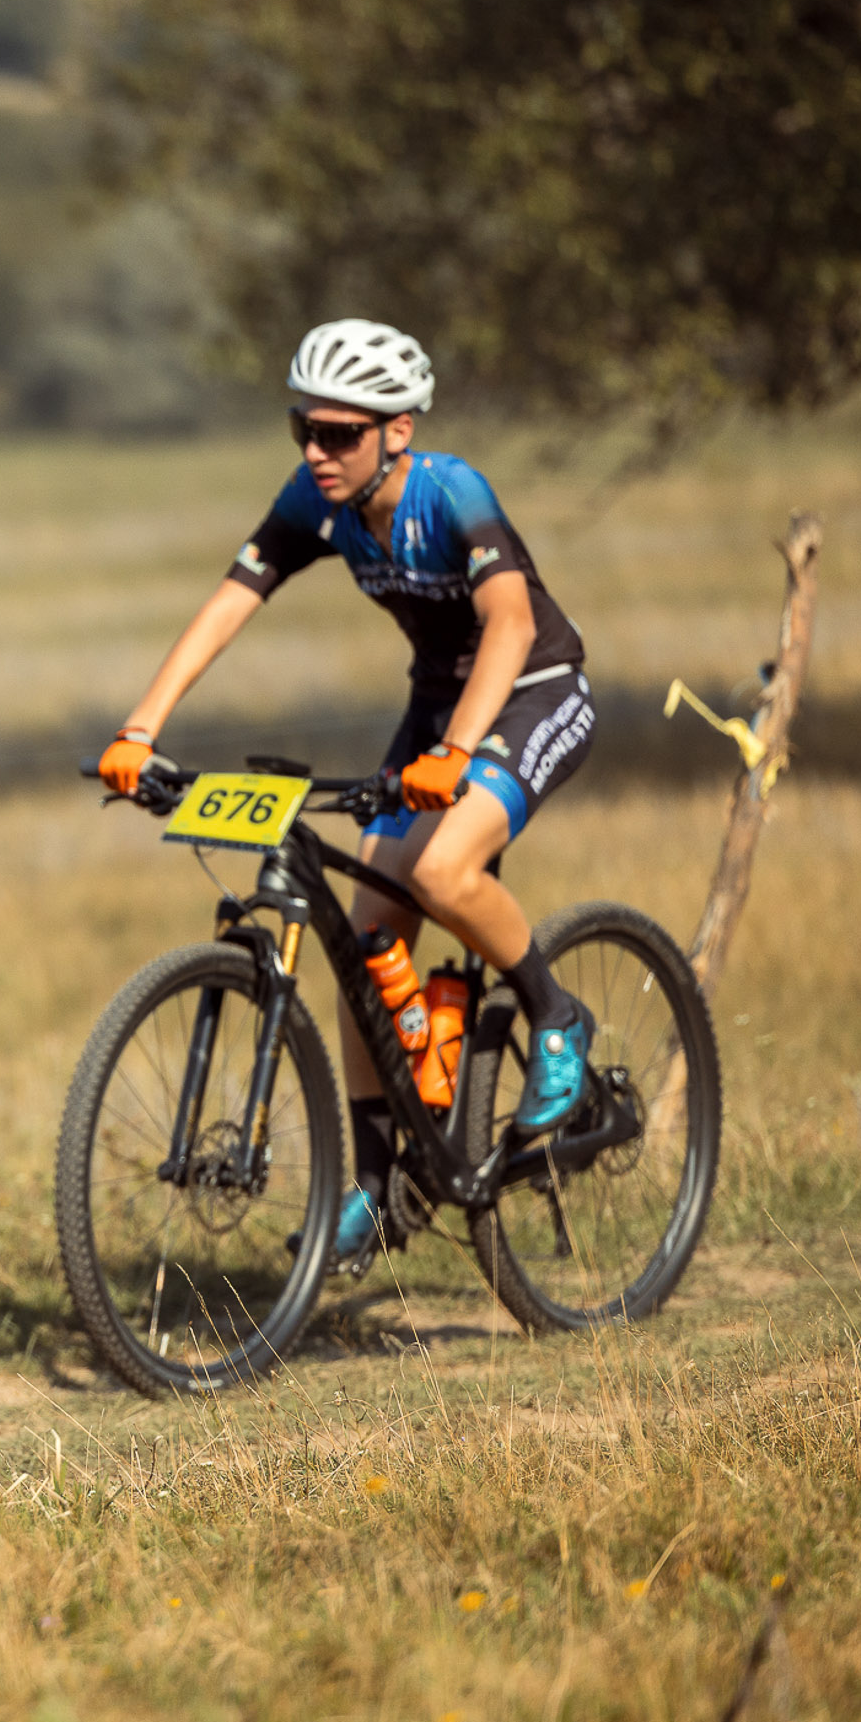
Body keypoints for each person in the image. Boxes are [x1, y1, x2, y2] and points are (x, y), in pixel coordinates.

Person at [96, 319, 598, 1271]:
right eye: (304, 430)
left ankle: (556, 1013)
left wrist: (456, 753)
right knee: (367, 937)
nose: (316, 453)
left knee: (442, 873)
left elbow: (507, 623)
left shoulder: (452, 493)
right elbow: (231, 600)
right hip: (437, 710)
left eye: (339, 435)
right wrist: (140, 727)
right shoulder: (315, 503)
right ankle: (372, 1184)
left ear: (397, 431)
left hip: (531, 692)